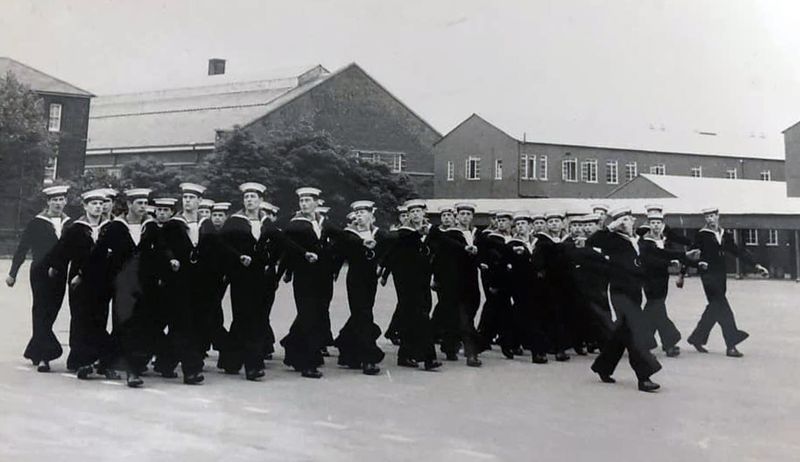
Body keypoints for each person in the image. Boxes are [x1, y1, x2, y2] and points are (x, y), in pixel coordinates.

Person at [590, 208, 663, 392]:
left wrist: (682, 258)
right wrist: (610, 228)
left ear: (633, 220)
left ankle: (603, 366)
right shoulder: (613, 240)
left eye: (627, 219)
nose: (625, 223)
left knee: (622, 334)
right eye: (620, 221)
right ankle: (644, 376)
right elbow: (592, 241)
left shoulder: (638, 240)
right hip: (618, 293)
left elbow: (653, 259)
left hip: (635, 293)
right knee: (635, 334)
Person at [48, 189, 117, 379]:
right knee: (80, 319)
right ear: (85, 206)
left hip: (103, 281)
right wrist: (56, 268)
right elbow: (62, 252)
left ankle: (99, 361)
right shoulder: (76, 228)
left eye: (100, 204)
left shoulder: (109, 227)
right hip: (80, 281)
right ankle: (80, 361)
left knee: (99, 319)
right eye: (93, 204)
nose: (98, 207)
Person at [687, 207, 769, 357]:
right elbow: (692, 255)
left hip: (720, 276)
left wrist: (756, 265)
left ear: (718, 216)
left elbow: (738, 251)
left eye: (712, 216)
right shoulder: (701, 235)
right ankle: (731, 343)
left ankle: (697, 338)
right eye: (707, 217)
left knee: (714, 308)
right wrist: (688, 269)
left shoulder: (725, 234)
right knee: (724, 309)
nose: (710, 219)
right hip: (708, 276)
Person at [6, 185, 71, 372]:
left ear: (66, 201)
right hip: (40, 273)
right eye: (55, 200)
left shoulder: (69, 224)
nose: (58, 203)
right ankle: (45, 356)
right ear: (48, 202)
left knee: (51, 312)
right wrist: (13, 273)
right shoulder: (37, 222)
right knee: (41, 311)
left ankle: (34, 350)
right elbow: (22, 248)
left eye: (61, 199)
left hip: (60, 273)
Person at [97, 188, 155, 387]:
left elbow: (161, 252)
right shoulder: (116, 227)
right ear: (129, 205)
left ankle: (105, 361)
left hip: (144, 284)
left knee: (135, 326)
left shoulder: (150, 226)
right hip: (122, 285)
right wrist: (84, 276)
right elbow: (99, 253)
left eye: (145, 204)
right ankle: (132, 372)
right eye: (139, 203)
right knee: (125, 326)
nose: (143, 207)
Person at [158, 183, 212, 384]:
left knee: (189, 325)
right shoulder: (174, 224)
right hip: (178, 281)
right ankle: (192, 369)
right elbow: (163, 246)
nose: (188, 201)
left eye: (192, 198)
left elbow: (215, 249)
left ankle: (165, 363)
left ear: (199, 201)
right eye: (185, 197)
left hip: (200, 283)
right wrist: (171, 259)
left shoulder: (206, 224)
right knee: (182, 325)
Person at [280, 187, 335, 378]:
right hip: (304, 276)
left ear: (316, 202)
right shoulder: (295, 224)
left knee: (316, 314)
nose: (303, 204)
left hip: (322, 276)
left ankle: (292, 344)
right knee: (309, 315)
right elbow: (285, 244)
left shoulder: (323, 222)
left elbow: (339, 238)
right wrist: (301, 256)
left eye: (307, 200)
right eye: (301, 201)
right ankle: (308, 364)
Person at [383, 199, 441, 371]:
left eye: (418, 211)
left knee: (412, 316)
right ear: (408, 215)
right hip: (407, 281)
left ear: (424, 213)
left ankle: (405, 355)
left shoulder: (429, 232)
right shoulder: (404, 233)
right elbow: (395, 250)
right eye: (412, 212)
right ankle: (428, 358)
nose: (415, 215)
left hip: (423, 279)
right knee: (421, 317)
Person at [332, 200, 388, 375]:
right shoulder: (350, 235)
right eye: (357, 213)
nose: (359, 216)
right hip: (355, 279)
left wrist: (383, 265)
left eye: (363, 213)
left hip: (371, 279)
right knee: (364, 314)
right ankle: (368, 359)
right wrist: (361, 244)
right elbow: (342, 248)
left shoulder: (379, 234)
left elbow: (389, 247)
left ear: (372, 216)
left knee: (360, 315)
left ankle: (345, 345)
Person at [640, 210, 699, 357]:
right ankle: (669, 342)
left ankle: (643, 342)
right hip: (650, 279)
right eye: (652, 223)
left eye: (658, 223)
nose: (655, 226)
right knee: (657, 309)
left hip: (662, 279)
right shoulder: (644, 242)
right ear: (648, 224)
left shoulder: (664, 240)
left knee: (654, 310)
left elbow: (674, 254)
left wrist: (694, 264)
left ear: (662, 225)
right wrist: (669, 262)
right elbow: (650, 260)